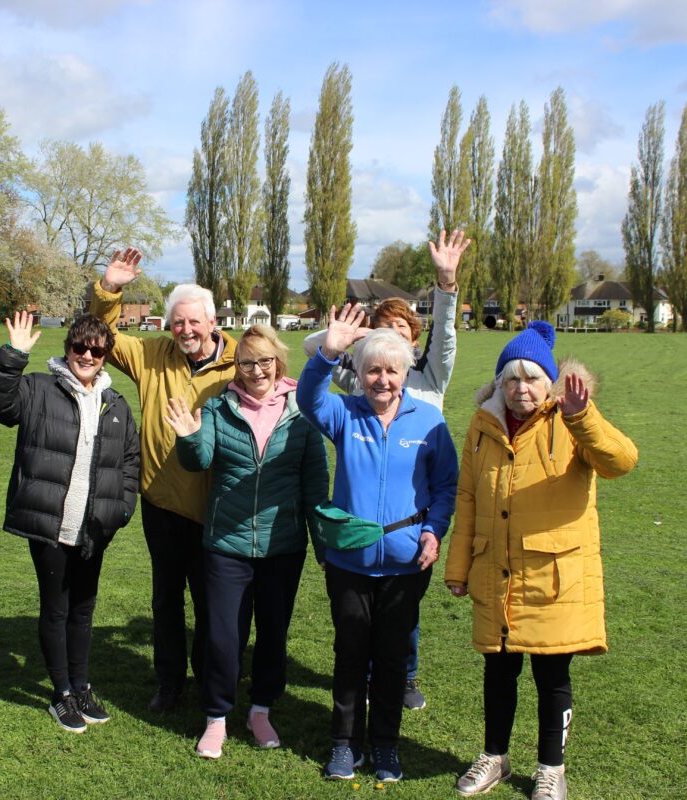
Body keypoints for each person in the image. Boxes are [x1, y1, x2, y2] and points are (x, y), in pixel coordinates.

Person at [444, 322, 638, 800]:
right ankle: (495, 757)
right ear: (499, 383)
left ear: (549, 382)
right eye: (512, 378)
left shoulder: (572, 420)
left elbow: (622, 461)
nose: (521, 388)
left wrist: (583, 416)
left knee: (552, 677)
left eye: (531, 378)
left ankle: (551, 768)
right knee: (498, 670)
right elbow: (467, 496)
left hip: (556, 577)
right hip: (496, 570)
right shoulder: (481, 425)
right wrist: (457, 567)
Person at [302, 229, 469, 710]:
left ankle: (405, 675)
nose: (388, 352)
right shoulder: (359, 376)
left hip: (409, 512)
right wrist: (349, 337)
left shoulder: (428, 376)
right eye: (383, 333)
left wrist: (446, 284)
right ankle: (366, 685)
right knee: (358, 621)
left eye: (401, 333)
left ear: (414, 343)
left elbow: (447, 333)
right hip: (359, 522)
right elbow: (317, 354)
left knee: (403, 613)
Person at [297, 309, 457, 784]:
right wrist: (329, 350)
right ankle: (344, 745)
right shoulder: (345, 413)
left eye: (391, 370)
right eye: (372, 370)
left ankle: (385, 745)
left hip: (407, 564)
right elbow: (309, 398)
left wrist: (435, 529)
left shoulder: (428, 420)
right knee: (349, 656)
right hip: (350, 561)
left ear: (406, 373)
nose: (381, 380)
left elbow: (447, 484)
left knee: (390, 660)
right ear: (360, 374)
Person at [163, 324, 329, 759]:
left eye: (264, 361)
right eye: (246, 362)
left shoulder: (302, 412)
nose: (256, 370)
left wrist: (324, 545)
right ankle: (215, 717)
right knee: (222, 635)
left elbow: (315, 483)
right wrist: (187, 435)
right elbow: (199, 460)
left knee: (273, 633)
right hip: (227, 545)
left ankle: (260, 709)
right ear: (235, 366)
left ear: (278, 363)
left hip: (283, 545)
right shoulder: (219, 408)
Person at [90, 249, 237, 712]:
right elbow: (102, 338)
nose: (186, 331)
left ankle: (212, 680)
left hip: (219, 507)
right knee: (167, 601)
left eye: (195, 323)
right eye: (178, 323)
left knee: (215, 606)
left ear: (214, 323)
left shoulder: (240, 364)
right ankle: (170, 682)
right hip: (162, 504)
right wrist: (109, 290)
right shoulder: (153, 354)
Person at [0, 312, 140, 734]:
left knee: (83, 610)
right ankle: (61, 693)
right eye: (79, 347)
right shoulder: (36, 388)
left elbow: (129, 463)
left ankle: (82, 685)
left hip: (95, 527)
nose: (87, 355)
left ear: (105, 355)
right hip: (51, 523)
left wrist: (120, 510)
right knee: (57, 608)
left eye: (96, 349)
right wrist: (13, 355)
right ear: (68, 348)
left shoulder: (116, 403)